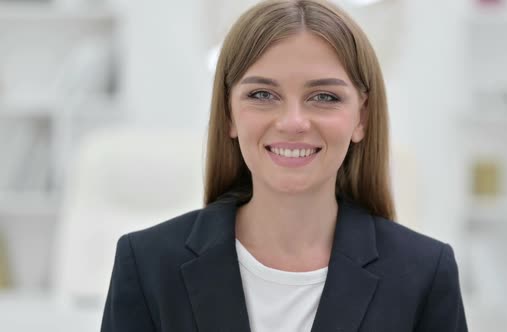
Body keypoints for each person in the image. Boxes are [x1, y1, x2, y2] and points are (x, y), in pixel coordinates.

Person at [100, 0, 468, 331]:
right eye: (262, 94)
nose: (293, 122)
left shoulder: (425, 273)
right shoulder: (148, 264)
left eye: (324, 96)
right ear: (228, 113)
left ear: (362, 118)